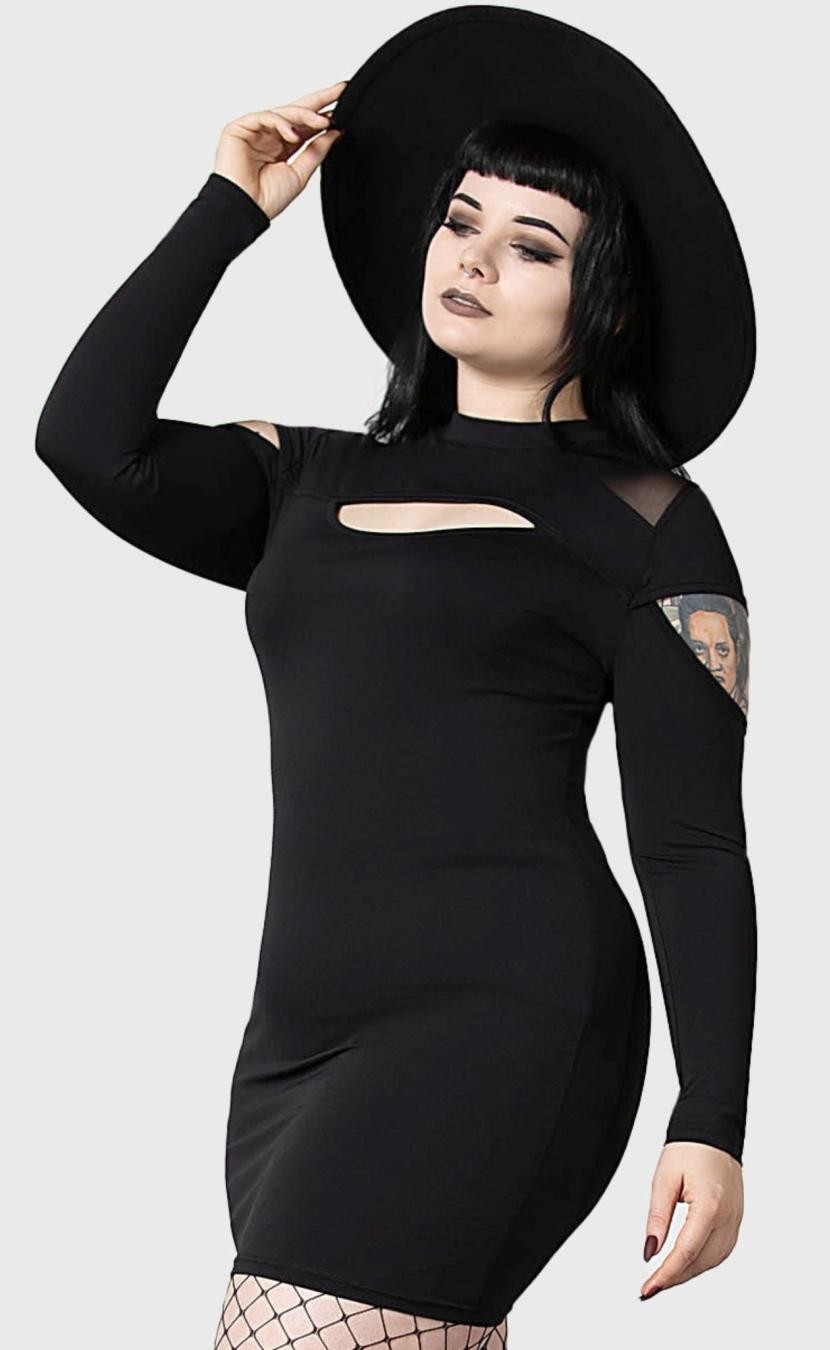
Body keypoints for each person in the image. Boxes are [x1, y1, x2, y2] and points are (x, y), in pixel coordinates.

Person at [35, 10, 757, 1348]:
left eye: (532, 245)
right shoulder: (302, 478)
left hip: (507, 1014)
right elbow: (84, 440)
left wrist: (711, 1116)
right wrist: (227, 208)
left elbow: (694, 840)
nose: (473, 258)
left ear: (605, 301)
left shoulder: (651, 522)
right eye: (460, 221)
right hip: (293, 1037)